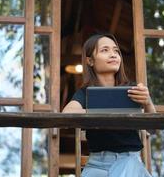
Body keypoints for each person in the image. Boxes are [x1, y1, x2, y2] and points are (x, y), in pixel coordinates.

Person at [62, 33, 156, 177]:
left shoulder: (132, 90)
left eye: (116, 51)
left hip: (129, 161)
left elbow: (153, 129)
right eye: (105, 50)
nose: (113, 54)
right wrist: (102, 110)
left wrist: (148, 102)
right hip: (96, 164)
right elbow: (67, 115)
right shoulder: (85, 93)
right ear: (90, 61)